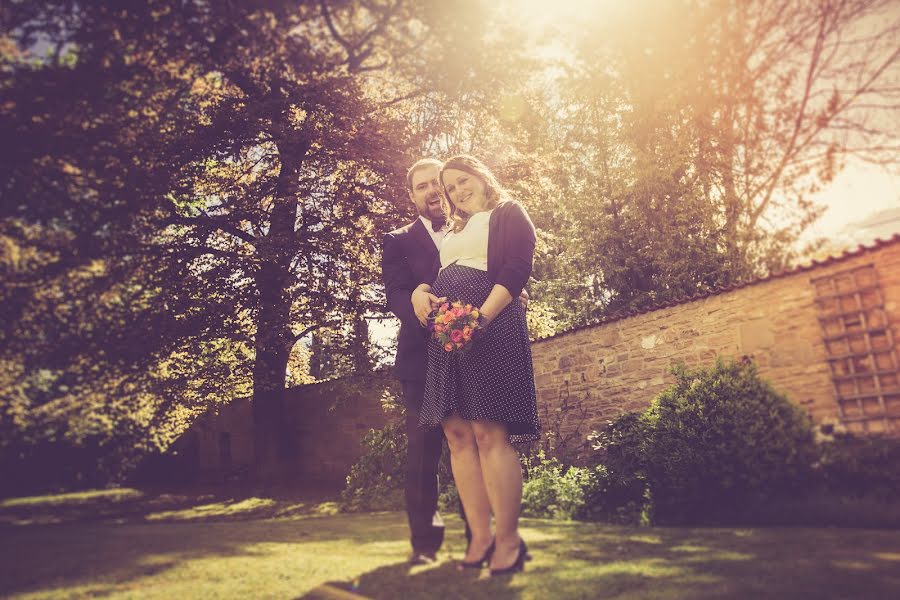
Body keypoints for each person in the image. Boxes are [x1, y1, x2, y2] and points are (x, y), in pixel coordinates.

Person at [412, 155, 540, 576]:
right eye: (450, 188)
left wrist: (480, 318)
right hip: (447, 334)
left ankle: (508, 542)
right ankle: (480, 537)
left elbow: (517, 269)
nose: (456, 191)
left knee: (488, 430)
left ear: (481, 176)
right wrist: (422, 293)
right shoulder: (453, 229)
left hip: (491, 324)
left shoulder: (507, 213)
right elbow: (437, 273)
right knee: (457, 432)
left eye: (461, 181)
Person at [381, 158, 450, 565]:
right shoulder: (397, 240)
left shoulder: (472, 229)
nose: (431, 191)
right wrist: (423, 312)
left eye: (436, 183)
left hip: (473, 355)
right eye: (421, 186)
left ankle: (485, 538)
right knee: (424, 453)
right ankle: (425, 544)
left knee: (475, 443)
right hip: (420, 359)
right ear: (412, 196)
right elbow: (395, 294)